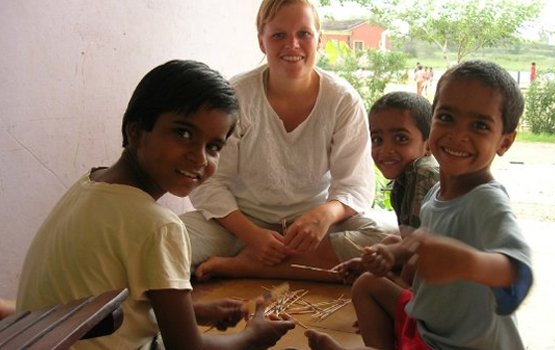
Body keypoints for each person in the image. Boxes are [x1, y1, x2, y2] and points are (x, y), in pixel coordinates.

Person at [16, 60, 295, 350]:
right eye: (183, 134)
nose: (200, 158)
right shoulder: (159, 226)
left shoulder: (90, 184)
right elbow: (188, 348)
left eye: (213, 146)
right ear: (136, 131)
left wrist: (194, 311)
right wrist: (252, 338)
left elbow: (107, 297)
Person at [305, 60, 534, 350]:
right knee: (367, 284)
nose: (458, 134)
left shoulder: (486, 200)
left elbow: (517, 272)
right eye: (447, 117)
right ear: (432, 120)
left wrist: (468, 263)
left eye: (479, 125)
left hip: (465, 344)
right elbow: (419, 245)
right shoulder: (435, 193)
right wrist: (389, 254)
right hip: (430, 329)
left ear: (505, 142)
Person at [180, 0, 393, 283]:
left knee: (387, 238)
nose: (292, 45)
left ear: (320, 40)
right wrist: (252, 235)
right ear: (261, 41)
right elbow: (211, 183)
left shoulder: (342, 100)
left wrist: (324, 215)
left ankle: (246, 266)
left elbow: (354, 185)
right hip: (239, 224)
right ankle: (289, 263)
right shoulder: (236, 95)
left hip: (311, 232)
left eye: (303, 34)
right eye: (279, 35)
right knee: (168, 237)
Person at [335, 91, 439, 286]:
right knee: (391, 241)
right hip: (429, 261)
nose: (385, 150)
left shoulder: (421, 175)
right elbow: (407, 242)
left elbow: (418, 248)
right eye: (377, 140)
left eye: (400, 138)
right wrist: (368, 263)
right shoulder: (406, 176)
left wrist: (403, 294)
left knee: (367, 285)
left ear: (429, 144)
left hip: (446, 279)